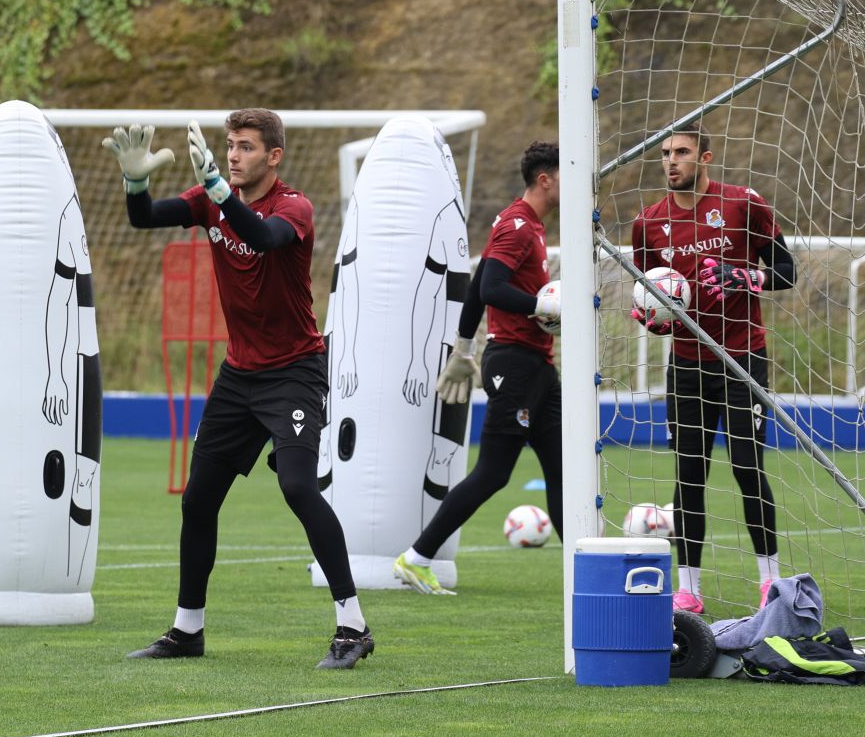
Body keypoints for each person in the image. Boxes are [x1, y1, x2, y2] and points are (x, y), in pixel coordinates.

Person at [102, 111, 373, 668]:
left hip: (294, 372)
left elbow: (261, 234)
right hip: (239, 375)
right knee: (199, 499)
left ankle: (353, 627)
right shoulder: (211, 198)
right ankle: (186, 631)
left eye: (245, 147)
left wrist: (221, 192)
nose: (232, 155)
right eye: (229, 146)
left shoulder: (292, 208)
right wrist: (136, 182)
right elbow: (144, 218)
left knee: (298, 487)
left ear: (274, 157)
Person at [631, 121, 795, 613]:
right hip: (686, 364)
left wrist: (743, 274)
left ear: (705, 157)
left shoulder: (744, 203)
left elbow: (787, 272)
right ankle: (689, 589)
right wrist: (651, 317)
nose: (670, 161)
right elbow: (647, 293)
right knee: (689, 475)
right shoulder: (648, 224)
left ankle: (770, 581)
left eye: (681, 152)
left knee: (748, 467)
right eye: (664, 153)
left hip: (743, 357)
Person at [394, 140, 564, 594]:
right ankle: (416, 557)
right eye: (566, 172)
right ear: (545, 179)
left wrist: (463, 349)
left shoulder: (527, 225)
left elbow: (475, 287)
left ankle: (583, 571)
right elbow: (490, 287)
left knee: (563, 468)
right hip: (516, 362)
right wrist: (545, 307)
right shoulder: (517, 226)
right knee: (493, 471)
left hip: (536, 364)